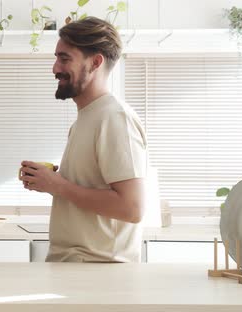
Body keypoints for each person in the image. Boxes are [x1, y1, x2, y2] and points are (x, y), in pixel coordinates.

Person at [19, 17, 147, 262]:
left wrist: (58, 185)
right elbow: (88, 190)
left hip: (97, 275)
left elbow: (132, 208)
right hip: (77, 270)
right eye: (56, 58)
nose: (55, 68)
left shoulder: (115, 117)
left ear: (95, 62)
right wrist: (51, 182)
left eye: (65, 58)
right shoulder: (85, 120)